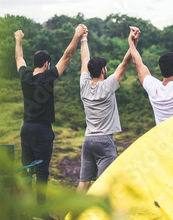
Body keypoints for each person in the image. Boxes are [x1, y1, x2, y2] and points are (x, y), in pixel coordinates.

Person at [14, 24, 87, 206]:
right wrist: (77, 35)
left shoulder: (25, 77)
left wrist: (18, 39)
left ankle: (24, 207)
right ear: (47, 64)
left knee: (26, 169)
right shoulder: (48, 77)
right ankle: (39, 211)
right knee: (42, 171)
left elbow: (19, 57)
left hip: (26, 129)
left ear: (34, 64)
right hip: (42, 131)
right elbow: (67, 56)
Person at [76, 29, 137, 193]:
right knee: (105, 184)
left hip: (88, 139)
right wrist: (132, 43)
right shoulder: (108, 85)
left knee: (84, 182)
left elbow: (84, 60)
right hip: (104, 141)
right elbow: (124, 64)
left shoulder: (84, 85)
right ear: (103, 70)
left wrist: (84, 39)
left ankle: (72, 215)